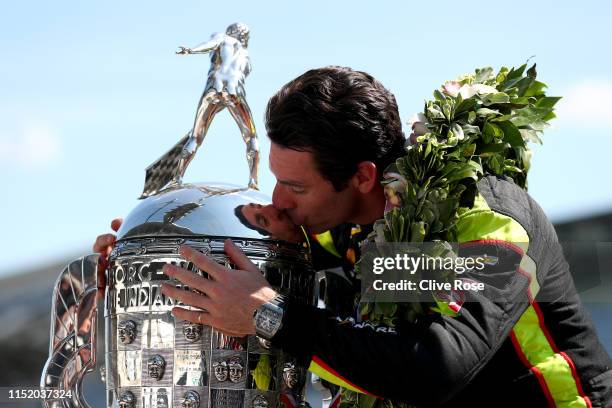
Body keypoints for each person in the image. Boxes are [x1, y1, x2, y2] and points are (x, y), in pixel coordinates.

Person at [94, 66, 612, 407]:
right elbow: (344, 308)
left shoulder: (482, 218)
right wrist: (149, 255)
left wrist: (268, 312)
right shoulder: (331, 235)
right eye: (276, 180)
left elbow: (437, 363)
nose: (278, 201)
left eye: (296, 186)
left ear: (363, 177)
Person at [177, 22, 259, 189]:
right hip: (236, 93)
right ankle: (253, 180)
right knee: (251, 138)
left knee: (195, 138)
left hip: (213, 90)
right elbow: (245, 73)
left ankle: (177, 177)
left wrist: (191, 50)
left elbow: (209, 45)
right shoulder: (246, 56)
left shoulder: (222, 38)